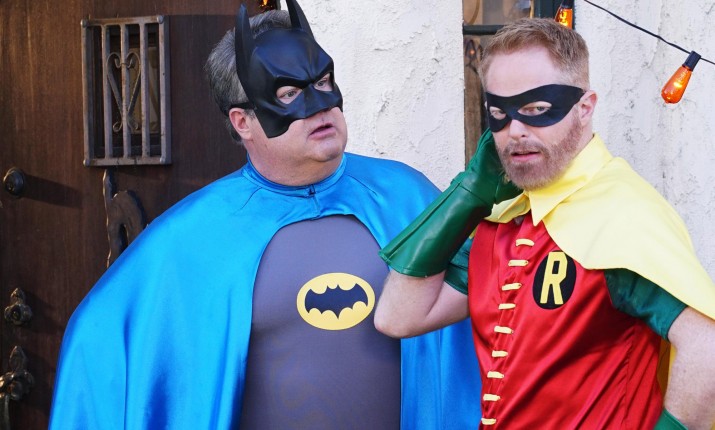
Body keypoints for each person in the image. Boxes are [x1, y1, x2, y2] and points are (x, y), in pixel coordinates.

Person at [48, 1, 481, 428]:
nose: (319, 105)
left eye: (323, 81)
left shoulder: (405, 197)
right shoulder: (196, 235)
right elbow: (98, 341)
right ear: (242, 122)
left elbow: (496, 294)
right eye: (289, 94)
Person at [375, 17, 715, 430]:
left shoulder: (623, 215)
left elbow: (706, 348)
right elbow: (398, 317)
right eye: (499, 114)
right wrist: (468, 193)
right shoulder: (503, 219)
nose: (515, 131)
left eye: (536, 110)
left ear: (584, 108)